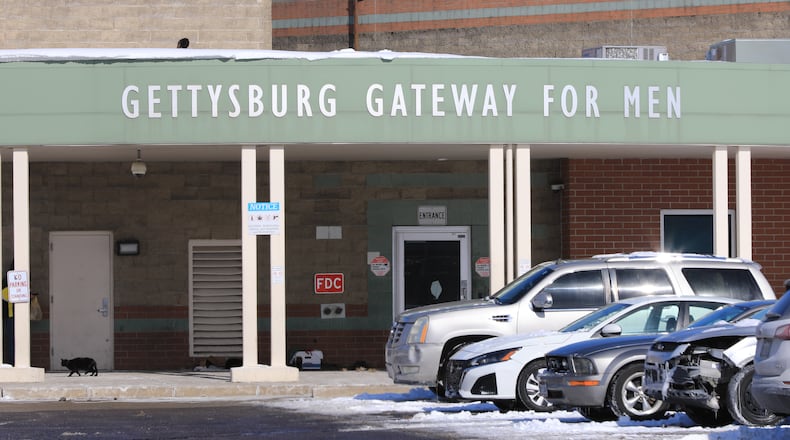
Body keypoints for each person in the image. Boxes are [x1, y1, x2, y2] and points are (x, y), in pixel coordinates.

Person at [2, 262, 14, 365]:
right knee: (11, 339)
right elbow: (6, 297)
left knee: (11, 339)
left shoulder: (5, 280)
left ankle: (12, 360)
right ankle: (12, 361)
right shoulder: (7, 281)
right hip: (10, 315)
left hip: (10, 315)